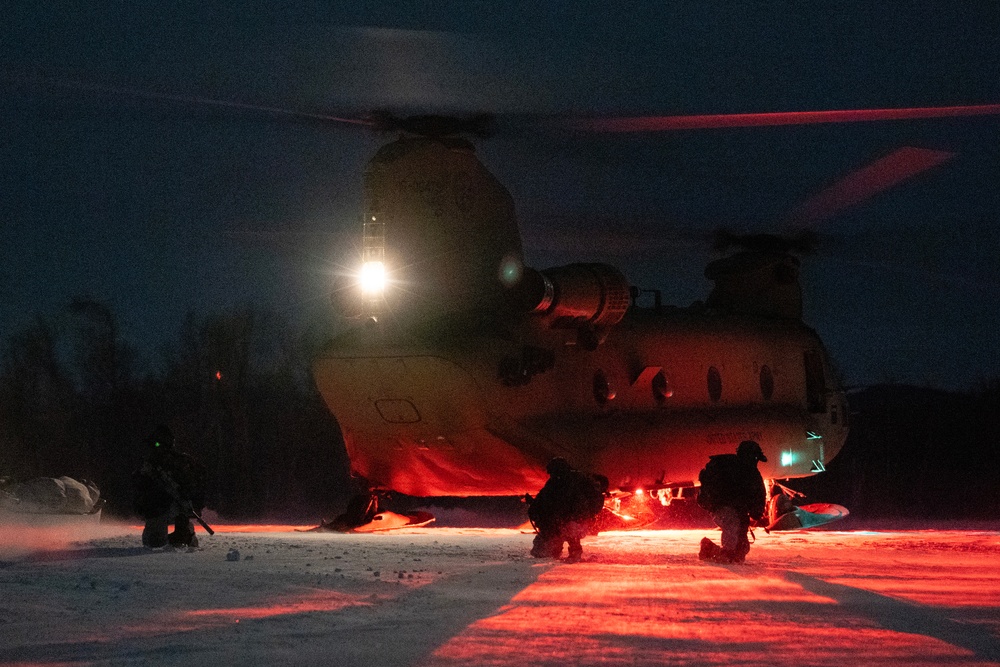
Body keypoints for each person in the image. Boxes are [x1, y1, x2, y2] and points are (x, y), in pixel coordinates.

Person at [132, 424, 207, 548]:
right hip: (157, 509)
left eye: (158, 445)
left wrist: (191, 502)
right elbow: (139, 488)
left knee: (180, 538)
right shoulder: (148, 465)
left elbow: (197, 484)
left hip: (176, 508)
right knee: (153, 542)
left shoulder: (181, 462)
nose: (156, 449)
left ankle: (185, 535)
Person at [696, 440, 768, 563]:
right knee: (732, 525)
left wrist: (755, 511)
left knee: (741, 548)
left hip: (731, 512)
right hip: (724, 510)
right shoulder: (734, 469)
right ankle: (727, 554)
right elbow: (757, 495)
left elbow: (757, 496)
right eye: (755, 458)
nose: (756, 461)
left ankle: (710, 549)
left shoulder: (748, 472)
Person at [527, 457, 605, 562]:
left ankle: (573, 554)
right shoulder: (556, 482)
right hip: (565, 519)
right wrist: (533, 504)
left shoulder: (572, 482)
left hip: (574, 519)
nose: (551, 475)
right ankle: (558, 552)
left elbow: (562, 502)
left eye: (552, 472)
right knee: (555, 537)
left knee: (570, 534)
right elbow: (545, 497)